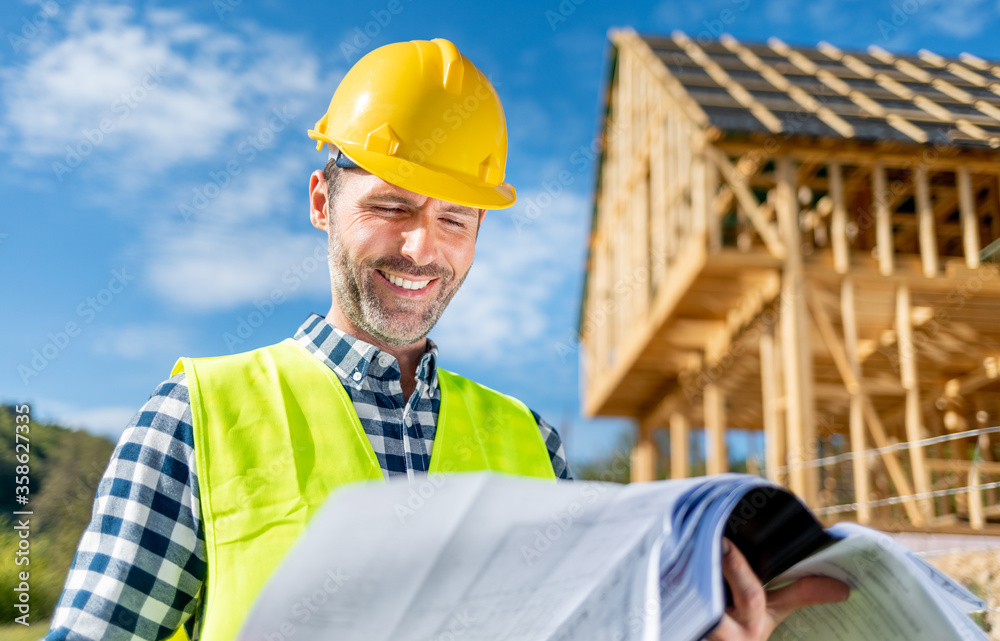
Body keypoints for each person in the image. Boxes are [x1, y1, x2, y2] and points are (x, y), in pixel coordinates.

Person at [45, 38, 847, 641]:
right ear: (323, 199)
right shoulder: (197, 415)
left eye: (454, 219)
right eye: (391, 207)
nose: (422, 249)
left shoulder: (532, 446)